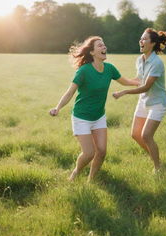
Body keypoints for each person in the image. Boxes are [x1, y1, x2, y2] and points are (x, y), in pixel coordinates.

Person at [49, 36, 140, 181]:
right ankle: (76, 173)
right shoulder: (84, 71)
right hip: (81, 117)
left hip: (98, 117)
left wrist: (138, 82)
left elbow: (125, 81)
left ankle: (91, 180)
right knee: (89, 153)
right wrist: (58, 107)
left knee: (102, 151)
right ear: (92, 52)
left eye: (104, 45)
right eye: (100, 46)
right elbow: (70, 91)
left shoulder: (110, 68)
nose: (104, 47)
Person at [113, 28, 166, 173]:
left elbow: (146, 86)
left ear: (152, 43)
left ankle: (158, 168)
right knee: (135, 135)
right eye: (141, 38)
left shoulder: (157, 62)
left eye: (144, 39)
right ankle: (155, 156)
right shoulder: (140, 60)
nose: (141, 41)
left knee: (146, 135)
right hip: (144, 101)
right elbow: (139, 80)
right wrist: (122, 81)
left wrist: (124, 92)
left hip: (157, 103)